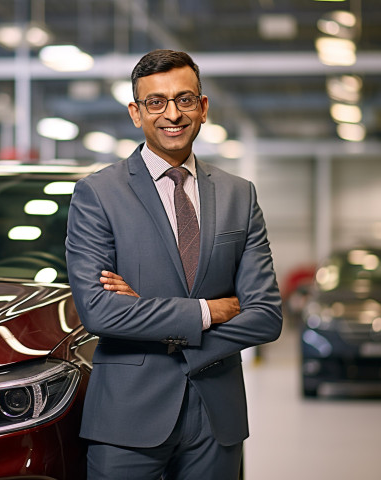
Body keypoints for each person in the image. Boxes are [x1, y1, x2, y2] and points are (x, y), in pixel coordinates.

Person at [65, 49, 282, 480]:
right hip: (127, 417)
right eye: (155, 102)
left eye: (184, 100)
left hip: (215, 418)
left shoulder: (240, 195)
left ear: (202, 109)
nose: (172, 114)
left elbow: (266, 317)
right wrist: (208, 310)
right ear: (136, 112)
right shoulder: (98, 195)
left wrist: (146, 315)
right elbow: (99, 311)